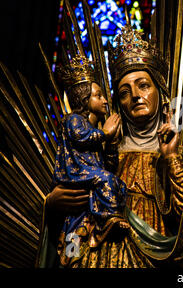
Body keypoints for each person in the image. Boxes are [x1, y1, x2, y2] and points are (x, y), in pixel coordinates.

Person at [41, 22, 183, 268]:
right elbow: (73, 213)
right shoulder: (99, 155)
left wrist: (171, 158)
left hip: (158, 257)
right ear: (118, 104)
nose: (134, 95)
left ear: (160, 93)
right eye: (124, 92)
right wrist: (52, 206)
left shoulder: (176, 154)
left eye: (143, 85)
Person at [52, 55, 129, 266]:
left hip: (89, 189)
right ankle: (108, 218)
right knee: (106, 180)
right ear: (84, 98)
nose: (105, 100)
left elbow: (108, 166)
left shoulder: (95, 133)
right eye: (98, 95)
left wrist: (112, 144)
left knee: (76, 223)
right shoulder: (74, 120)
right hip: (75, 174)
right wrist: (105, 133)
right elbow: (81, 137)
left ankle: (72, 252)